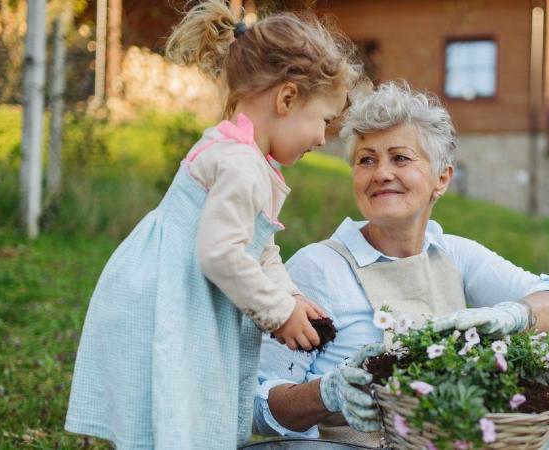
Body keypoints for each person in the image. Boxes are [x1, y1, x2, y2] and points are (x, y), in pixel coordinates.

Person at [253, 82, 549, 450]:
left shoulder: (452, 253)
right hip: (375, 445)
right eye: (366, 160)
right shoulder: (319, 266)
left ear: (442, 178)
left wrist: (514, 314)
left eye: (400, 158)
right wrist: (328, 394)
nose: (381, 173)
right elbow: (257, 400)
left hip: (472, 438)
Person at [64, 3, 362, 449]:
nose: (323, 138)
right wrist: (278, 313)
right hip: (169, 296)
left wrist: (291, 295)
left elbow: (259, 248)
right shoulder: (241, 164)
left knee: (181, 400)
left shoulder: (243, 154)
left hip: (182, 293)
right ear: (286, 99)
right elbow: (219, 254)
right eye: (323, 121)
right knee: (173, 399)